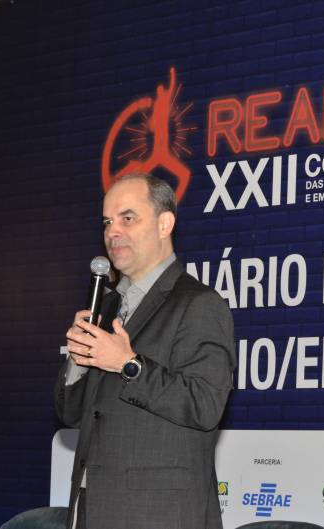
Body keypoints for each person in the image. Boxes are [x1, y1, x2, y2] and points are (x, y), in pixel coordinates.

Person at [55, 173, 235, 529]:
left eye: (127, 218)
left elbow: (205, 405)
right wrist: (79, 361)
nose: (113, 232)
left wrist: (128, 364)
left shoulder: (199, 304)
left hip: (157, 513)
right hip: (92, 507)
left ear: (164, 224)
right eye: (107, 222)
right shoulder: (105, 309)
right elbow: (70, 414)